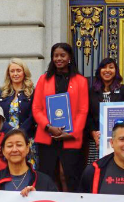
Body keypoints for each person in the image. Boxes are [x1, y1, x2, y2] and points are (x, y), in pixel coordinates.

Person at [31, 42, 89, 192]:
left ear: (69, 57)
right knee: (49, 175)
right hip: (47, 135)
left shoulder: (81, 81)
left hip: (70, 137)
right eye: (55, 55)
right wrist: (48, 126)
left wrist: (71, 133)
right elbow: (36, 108)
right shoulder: (43, 79)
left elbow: (83, 110)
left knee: (67, 175)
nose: (59, 58)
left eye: (62, 55)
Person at [86, 57, 124, 163]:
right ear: (99, 71)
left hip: (119, 137)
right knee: (97, 170)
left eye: (111, 67)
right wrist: (94, 134)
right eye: (104, 67)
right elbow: (88, 115)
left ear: (115, 71)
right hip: (96, 140)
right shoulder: (92, 91)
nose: (107, 70)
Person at [0, 58, 36, 138]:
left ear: (24, 72)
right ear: (9, 74)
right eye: (12, 71)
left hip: (27, 137)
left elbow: (33, 116)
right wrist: (10, 131)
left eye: (18, 70)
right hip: (5, 136)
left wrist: (20, 132)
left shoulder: (32, 92)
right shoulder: (1, 93)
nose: (15, 74)